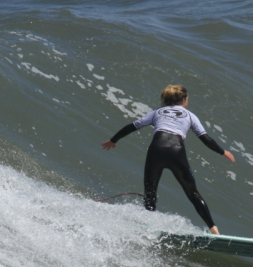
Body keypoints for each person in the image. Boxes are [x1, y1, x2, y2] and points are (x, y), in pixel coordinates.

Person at [101, 85, 235, 235]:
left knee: (150, 193)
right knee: (193, 194)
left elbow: (132, 126)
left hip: (156, 150)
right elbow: (206, 139)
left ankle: (149, 229)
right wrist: (223, 152)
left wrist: (114, 140)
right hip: (176, 152)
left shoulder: (157, 112)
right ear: (184, 100)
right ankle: (214, 230)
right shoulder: (190, 116)